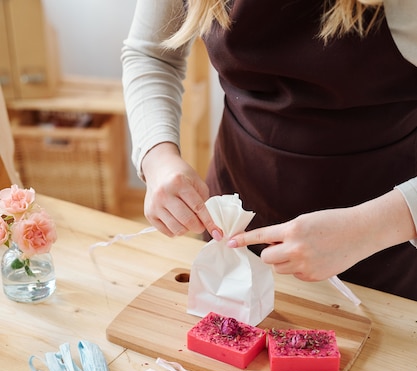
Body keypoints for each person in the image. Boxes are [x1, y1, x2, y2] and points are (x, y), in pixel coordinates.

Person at [121, 1, 417, 299]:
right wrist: (158, 157)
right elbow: (151, 54)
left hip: (384, 244)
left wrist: (365, 230)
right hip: (235, 210)